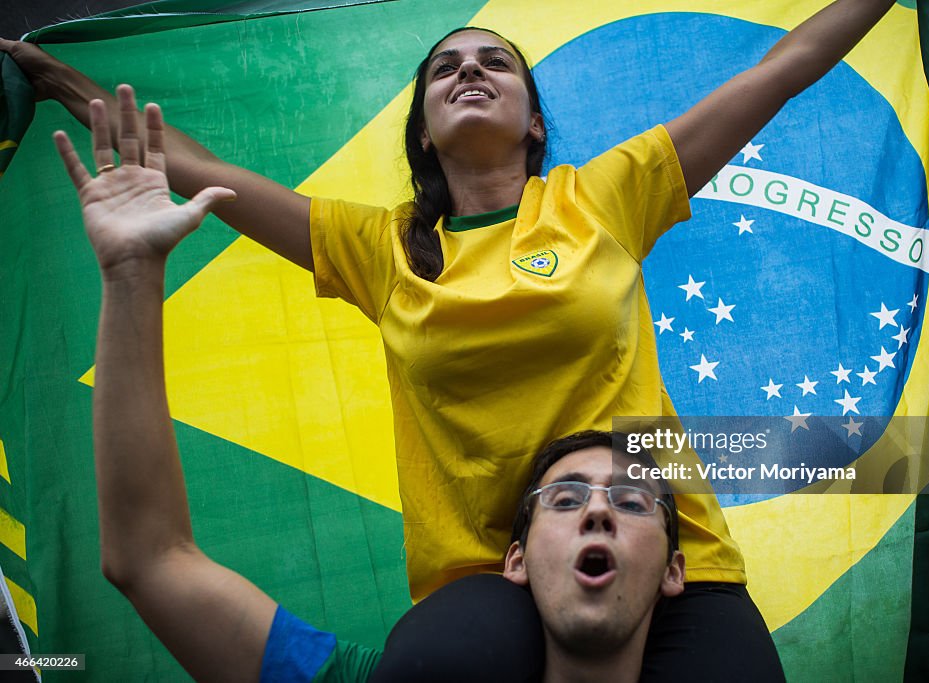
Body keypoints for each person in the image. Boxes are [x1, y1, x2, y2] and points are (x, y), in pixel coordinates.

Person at [5, 1, 895, 677]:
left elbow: (781, 71)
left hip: (668, 553)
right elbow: (195, 172)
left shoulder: (603, 198)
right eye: (446, 70)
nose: (470, 71)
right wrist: (57, 83)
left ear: (535, 121)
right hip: (484, 577)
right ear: (424, 130)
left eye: (495, 62)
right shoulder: (378, 246)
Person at [55, 100, 688, 680]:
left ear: (674, 570)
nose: (599, 510)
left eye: (634, 502)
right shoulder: (387, 247)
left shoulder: (597, 202)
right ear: (513, 562)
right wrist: (130, 272)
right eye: (566, 496)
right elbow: (152, 558)